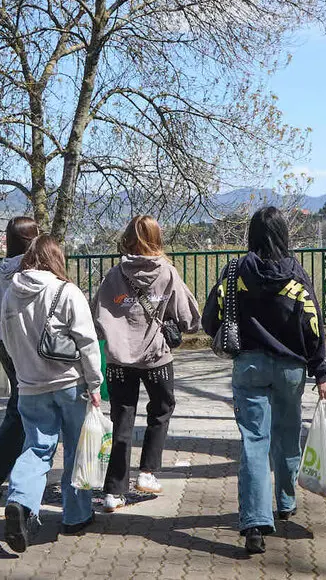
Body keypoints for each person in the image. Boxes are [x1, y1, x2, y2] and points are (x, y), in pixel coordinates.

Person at [200, 206, 326, 556]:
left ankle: (255, 525)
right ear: (283, 234)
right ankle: (286, 502)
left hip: (249, 367)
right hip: (291, 369)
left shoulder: (235, 272)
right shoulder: (297, 275)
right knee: (288, 435)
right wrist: (320, 372)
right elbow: (313, 325)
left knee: (254, 443)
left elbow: (210, 318)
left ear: (252, 236)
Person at [0, 235, 102, 552]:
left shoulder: (11, 294)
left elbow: (5, 339)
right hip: (69, 384)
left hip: (30, 387)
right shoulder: (67, 291)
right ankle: (76, 516)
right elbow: (87, 342)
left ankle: (20, 500)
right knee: (76, 450)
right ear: (57, 258)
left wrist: (24, 375)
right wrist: (95, 384)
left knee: (36, 449)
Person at [92, 216, 201, 512]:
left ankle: (114, 491)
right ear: (157, 239)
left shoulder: (114, 275)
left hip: (118, 361)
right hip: (156, 358)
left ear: (127, 239)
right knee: (162, 410)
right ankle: (148, 473)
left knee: (121, 421)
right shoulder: (166, 273)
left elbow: (96, 315)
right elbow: (190, 318)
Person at [0, 216, 40, 501]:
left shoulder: (1, 271)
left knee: (22, 407)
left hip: (4, 345)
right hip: (26, 346)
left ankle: (5, 467)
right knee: (23, 409)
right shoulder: (33, 270)